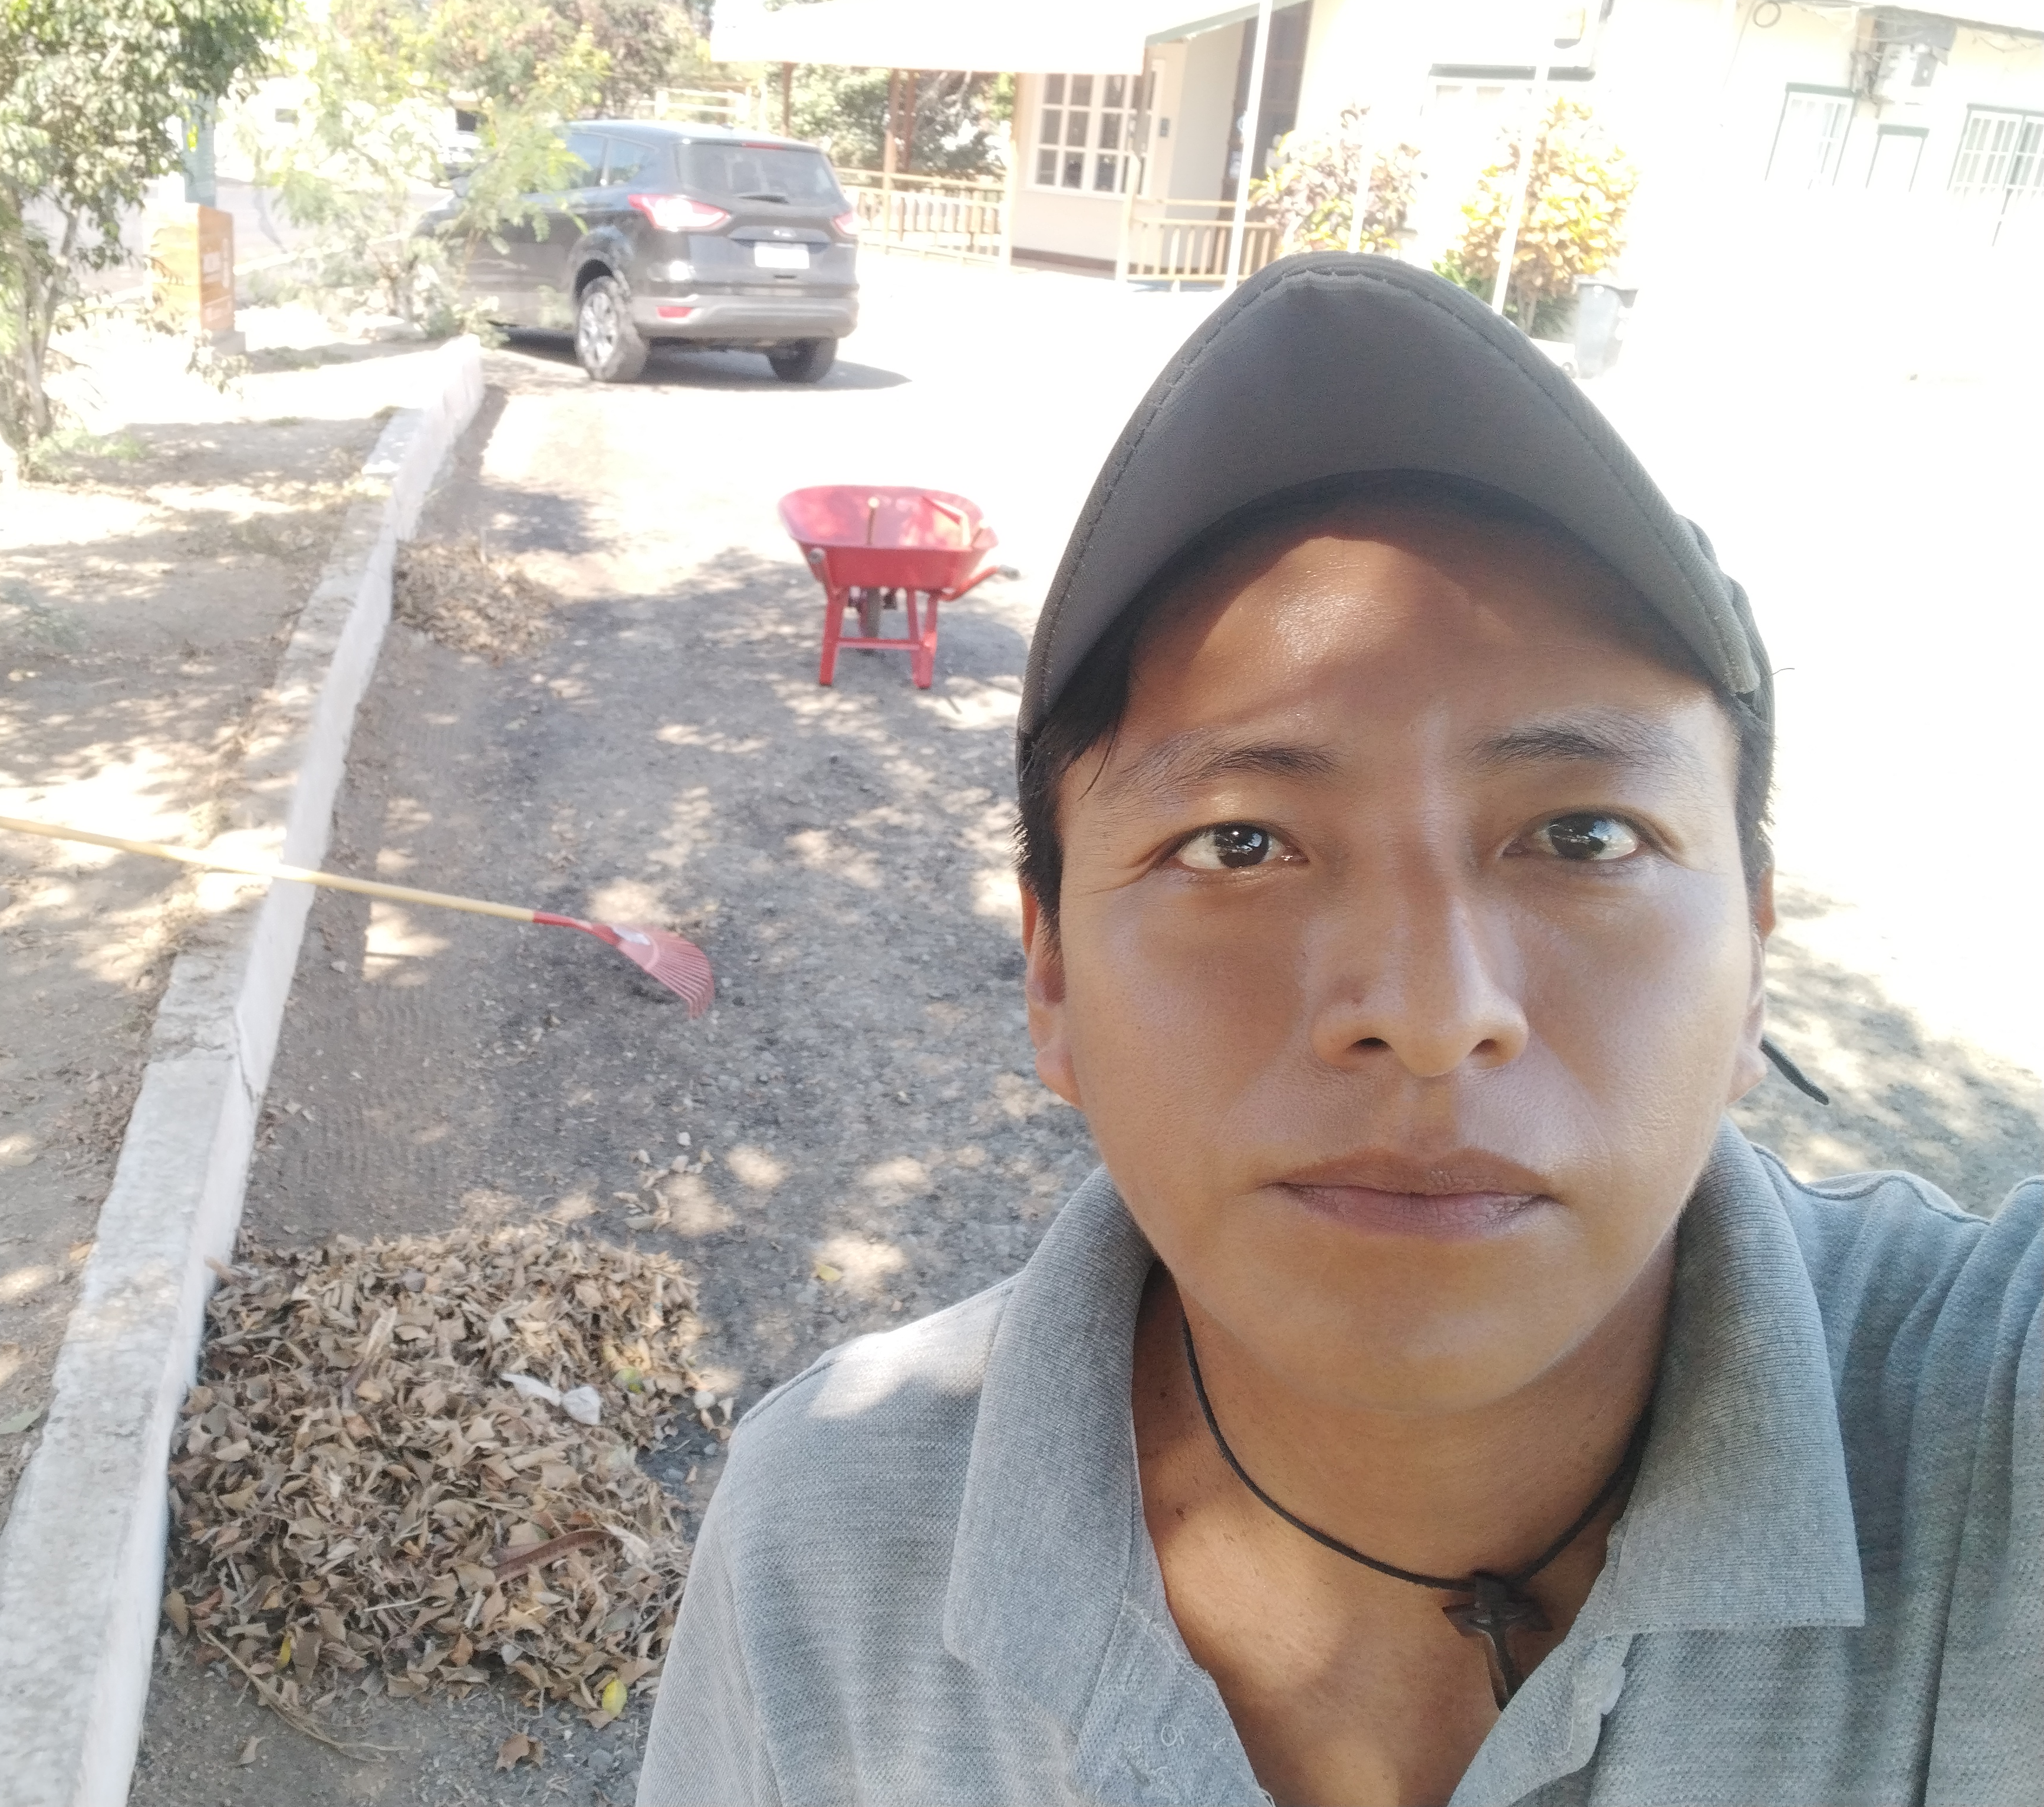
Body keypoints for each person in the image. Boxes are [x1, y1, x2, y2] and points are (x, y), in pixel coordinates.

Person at [637, 254, 2040, 1806]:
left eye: (1584, 837)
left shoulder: (1994, 1425)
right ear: (1052, 979)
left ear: (1754, 959)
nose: (1433, 1020)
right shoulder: (823, 1548)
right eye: (1238, 843)